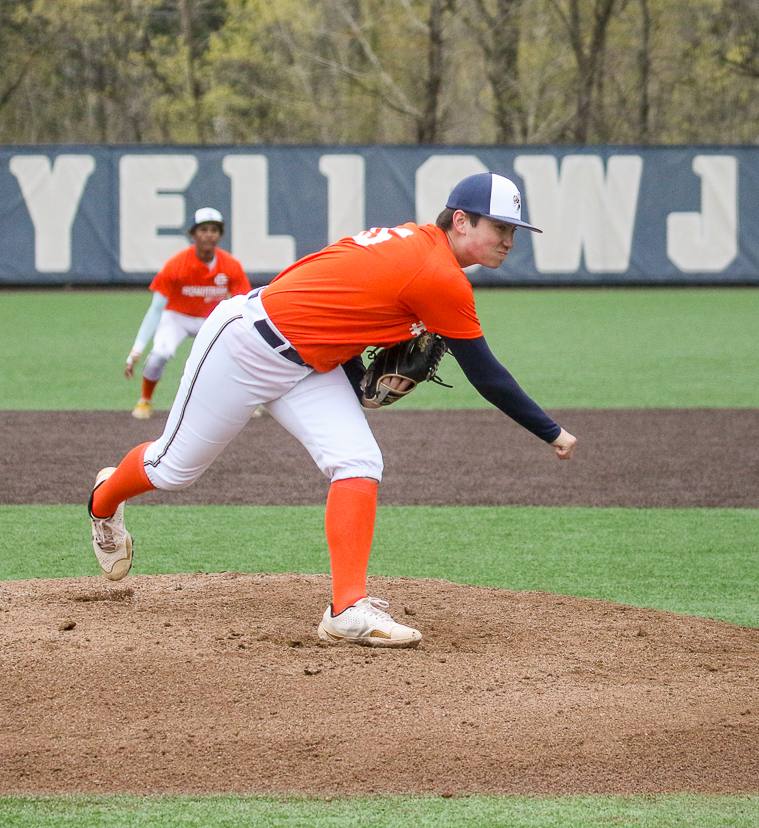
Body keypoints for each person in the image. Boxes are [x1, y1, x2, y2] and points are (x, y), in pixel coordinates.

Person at [86, 172, 578, 648]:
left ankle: (347, 610)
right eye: (500, 227)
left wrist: (359, 384)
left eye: (514, 231)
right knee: (172, 469)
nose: (509, 240)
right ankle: (104, 502)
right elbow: (486, 374)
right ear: (462, 221)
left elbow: (340, 308)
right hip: (244, 347)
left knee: (358, 461)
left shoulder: (411, 241)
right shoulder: (438, 275)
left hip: (308, 363)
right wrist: (551, 431)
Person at [125, 208, 251, 418]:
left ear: (221, 235)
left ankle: (244, 404)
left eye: (214, 230)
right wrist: (137, 349)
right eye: (203, 229)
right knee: (159, 356)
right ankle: (145, 400)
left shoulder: (231, 265)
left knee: (239, 357)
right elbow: (156, 309)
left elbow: (243, 306)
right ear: (192, 234)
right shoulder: (177, 264)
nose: (209, 235)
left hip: (213, 319)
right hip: (178, 317)